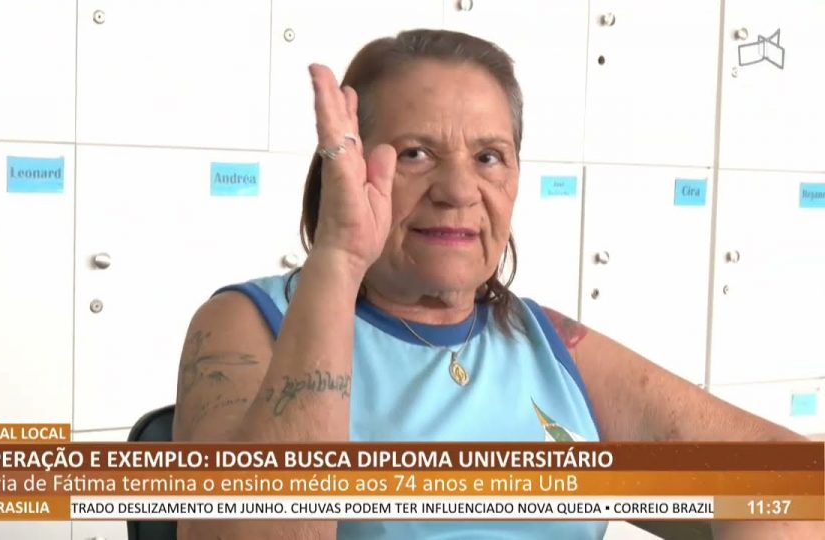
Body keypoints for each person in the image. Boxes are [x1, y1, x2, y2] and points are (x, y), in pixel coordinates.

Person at [172, 29, 821, 540]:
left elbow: (794, 483)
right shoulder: (249, 323)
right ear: (345, 171)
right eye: (415, 154)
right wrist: (339, 260)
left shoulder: (547, 342)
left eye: (488, 157)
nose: (459, 190)